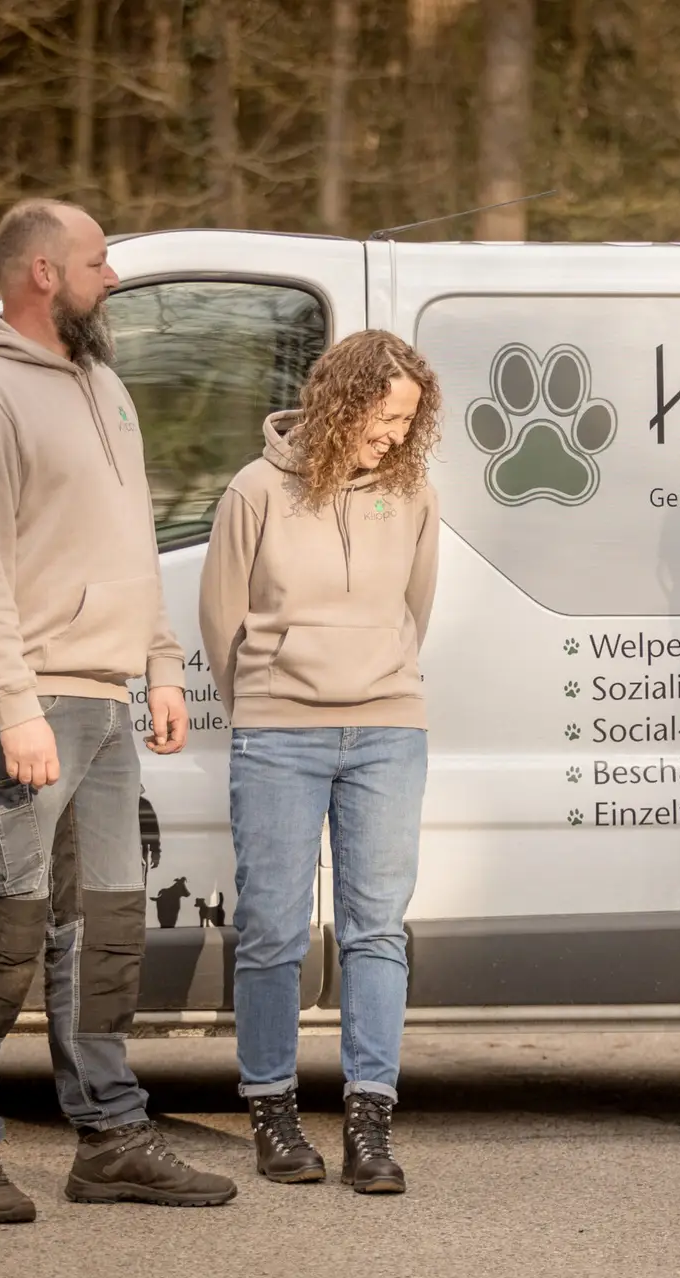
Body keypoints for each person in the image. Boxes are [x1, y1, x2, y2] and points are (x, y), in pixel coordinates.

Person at [0, 199, 236, 1222]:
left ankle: (108, 1136)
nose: (115, 276)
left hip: (103, 703)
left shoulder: (104, 385)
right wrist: (12, 705)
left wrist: (162, 667)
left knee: (105, 929)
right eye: (99, 260)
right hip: (20, 703)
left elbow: (131, 546)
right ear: (43, 273)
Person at [199, 329, 441, 1195]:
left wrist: (378, 680)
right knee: (271, 929)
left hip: (386, 730)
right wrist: (267, 701)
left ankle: (370, 1123)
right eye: (386, 415)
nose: (397, 433)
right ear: (342, 401)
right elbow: (222, 618)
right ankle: (272, 1110)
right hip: (279, 734)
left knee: (376, 930)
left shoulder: (413, 493)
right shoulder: (255, 489)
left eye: (410, 419)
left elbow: (416, 606)